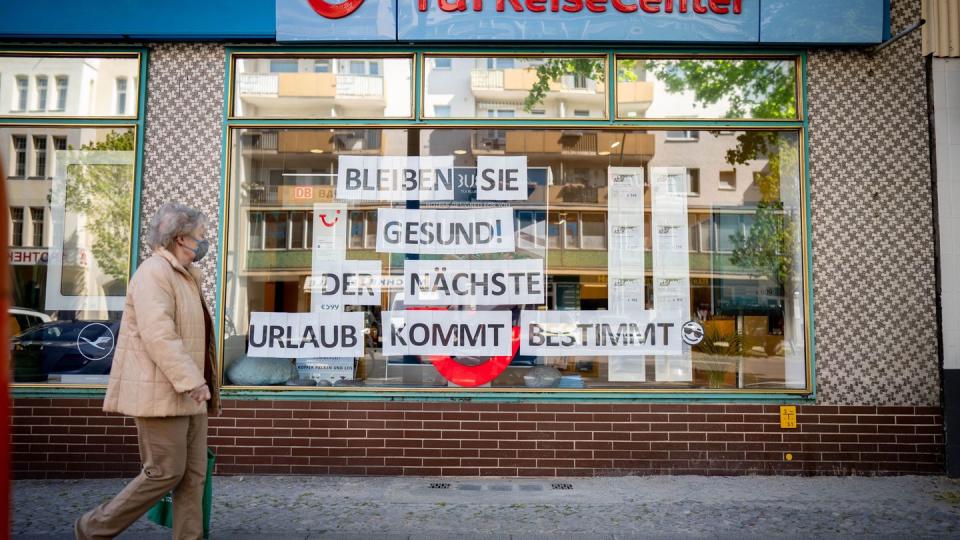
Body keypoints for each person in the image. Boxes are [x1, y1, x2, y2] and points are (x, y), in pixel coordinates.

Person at [76, 203, 219, 540]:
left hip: (190, 393)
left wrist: (199, 383)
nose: (204, 243)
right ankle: (93, 528)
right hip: (163, 393)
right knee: (164, 473)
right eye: (201, 237)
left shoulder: (184, 276)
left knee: (193, 476)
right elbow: (160, 336)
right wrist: (192, 381)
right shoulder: (153, 274)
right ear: (181, 238)